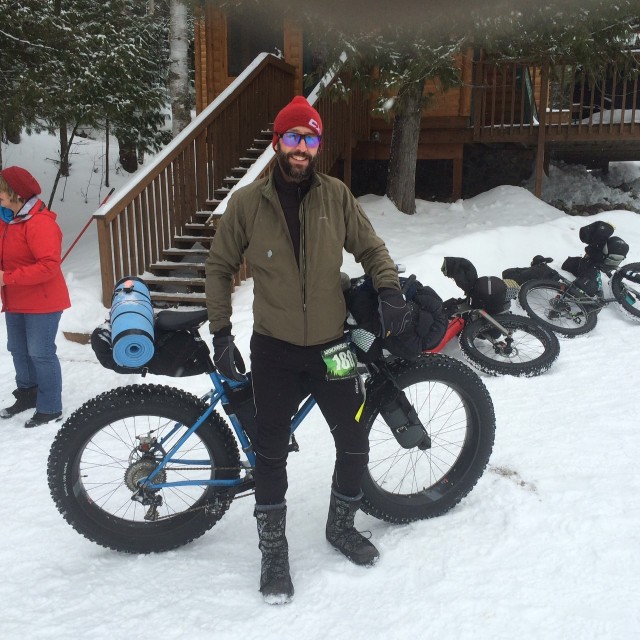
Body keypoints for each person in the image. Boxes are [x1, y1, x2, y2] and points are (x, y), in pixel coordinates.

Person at [205, 96, 410, 604]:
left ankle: (341, 526)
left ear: (317, 145)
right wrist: (222, 332)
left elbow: (371, 247)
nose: (301, 147)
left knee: (354, 436)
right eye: (293, 137)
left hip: (331, 345)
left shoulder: (336, 195)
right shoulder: (248, 203)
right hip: (273, 348)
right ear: (278, 143)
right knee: (271, 451)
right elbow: (218, 266)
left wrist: (389, 288)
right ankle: (274, 552)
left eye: (310, 138)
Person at [0, 166, 70, 428]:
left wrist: (7, 278)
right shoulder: (7, 219)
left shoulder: (40, 223)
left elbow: (48, 266)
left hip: (43, 300)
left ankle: (50, 406)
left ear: (16, 194)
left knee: (40, 353)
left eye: (1, 192)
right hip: (16, 299)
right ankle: (28, 394)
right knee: (18, 350)